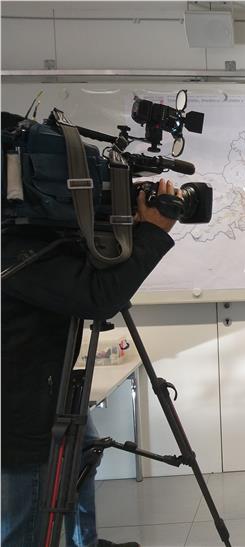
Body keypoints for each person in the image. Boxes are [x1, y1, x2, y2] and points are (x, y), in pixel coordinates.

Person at [1, 179, 180, 547]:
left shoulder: (31, 236)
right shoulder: (13, 244)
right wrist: (151, 234)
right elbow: (97, 296)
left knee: (84, 449)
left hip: (49, 382)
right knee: (27, 513)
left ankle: (86, 540)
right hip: (20, 404)